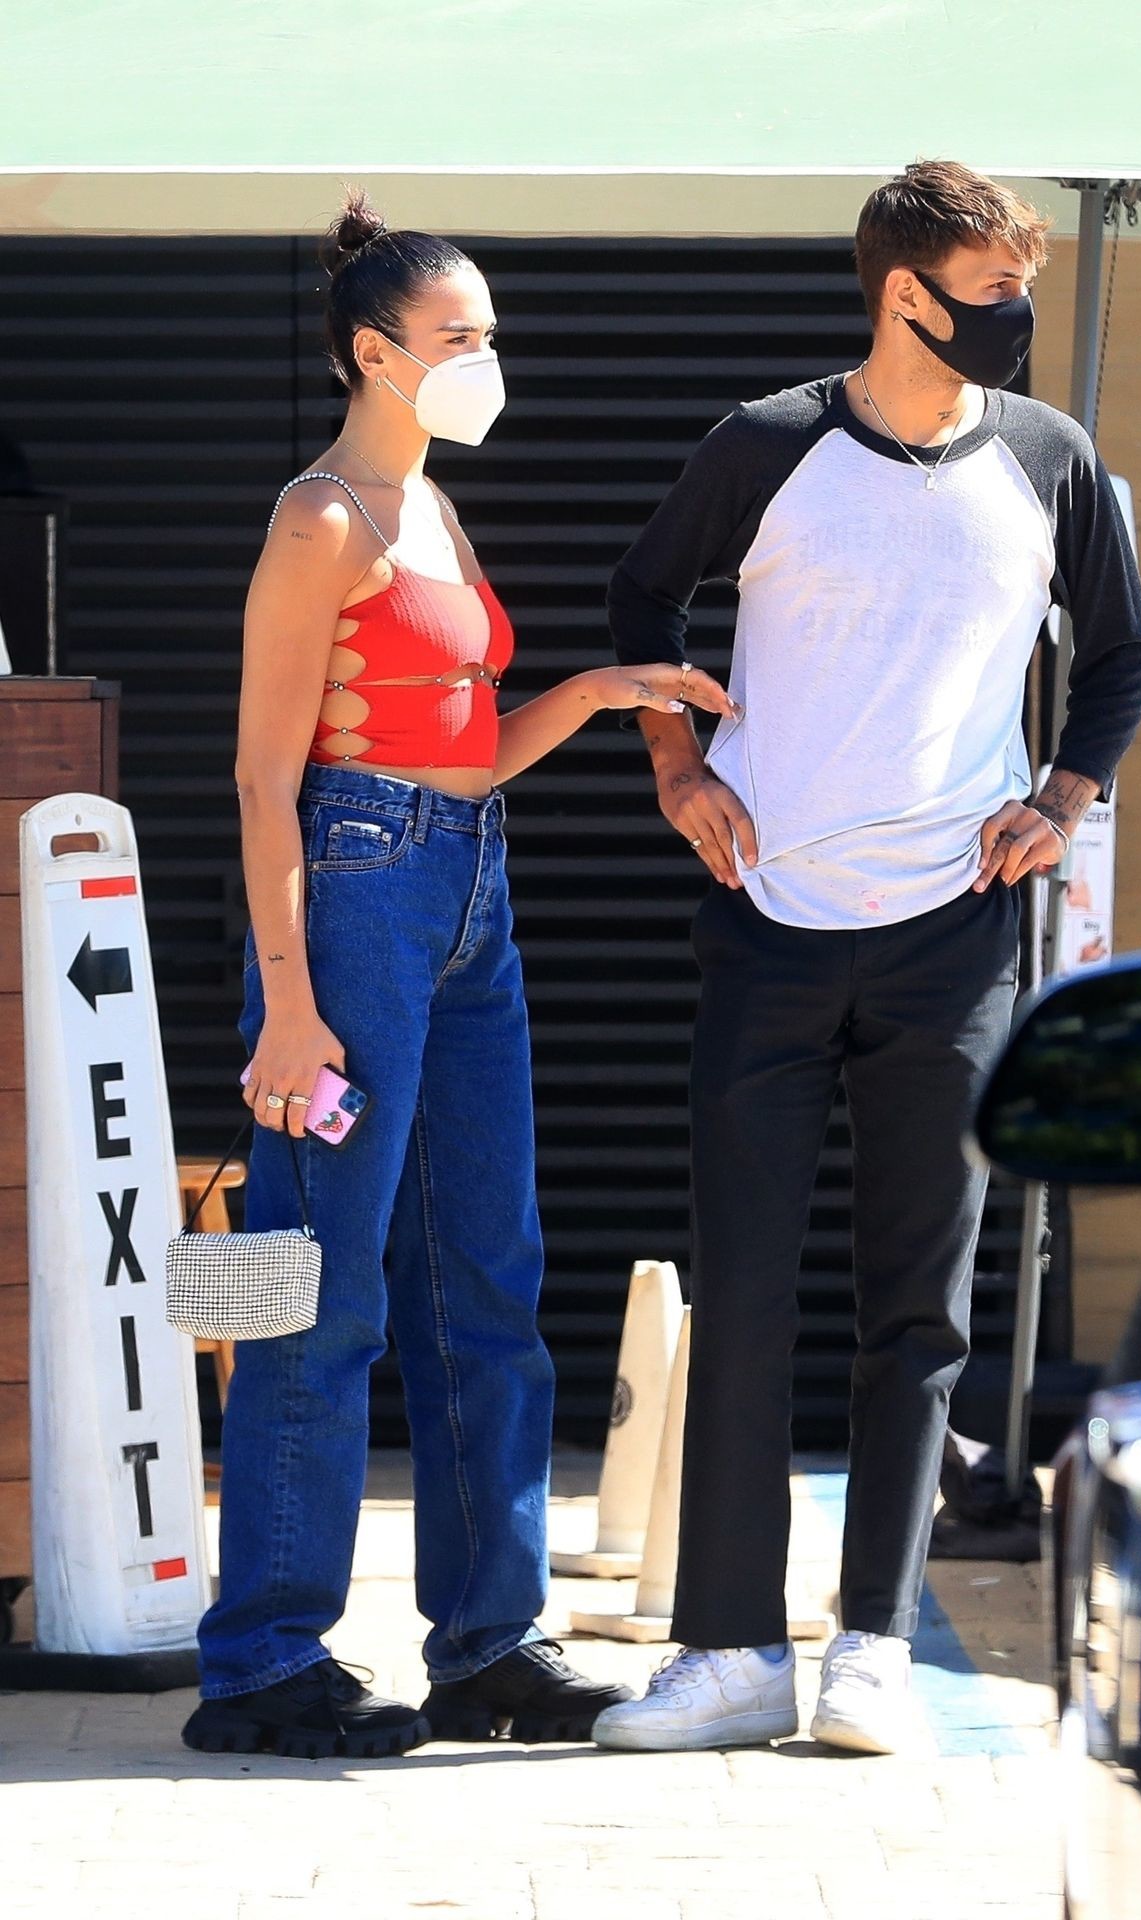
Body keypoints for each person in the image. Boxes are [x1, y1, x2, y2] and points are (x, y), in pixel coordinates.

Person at [592, 160, 1141, 1756]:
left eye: (1024, 289)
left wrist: (1061, 799)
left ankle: (874, 1648)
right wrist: (676, 769)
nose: (1016, 316)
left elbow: (1123, 652)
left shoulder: (1049, 458)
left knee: (922, 1313)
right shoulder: (765, 445)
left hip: (953, 943)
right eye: (992, 292)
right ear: (904, 294)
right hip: (769, 925)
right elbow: (643, 596)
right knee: (747, 1297)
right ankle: (727, 1654)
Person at [181, 190, 736, 1760]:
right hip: (351, 894)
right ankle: (261, 1663)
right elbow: (263, 776)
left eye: (491, 331)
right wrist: (289, 1004)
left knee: (488, 1275)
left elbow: (470, 756)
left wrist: (602, 690)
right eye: (460, 335)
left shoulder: (429, 505)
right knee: (315, 1284)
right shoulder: (322, 518)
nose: (488, 357)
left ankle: (490, 1643)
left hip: (467, 886)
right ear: (376, 351)